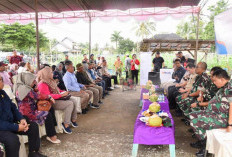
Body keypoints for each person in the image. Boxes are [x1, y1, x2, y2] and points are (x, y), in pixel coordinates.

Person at [0, 75, 47, 157]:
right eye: (0, 80)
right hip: (2, 128)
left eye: (1, 79)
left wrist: (21, 119)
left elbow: (13, 108)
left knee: (33, 126)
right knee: (13, 140)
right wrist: (16, 127)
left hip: (10, 122)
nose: (2, 82)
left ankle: (33, 152)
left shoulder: (2, 93)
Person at [189, 69, 232, 156]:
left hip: (223, 118)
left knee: (196, 122)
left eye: (215, 81)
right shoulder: (222, 88)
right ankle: (205, 142)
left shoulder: (230, 89)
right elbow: (213, 102)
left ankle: (206, 146)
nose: (214, 83)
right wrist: (199, 104)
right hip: (215, 114)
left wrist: (230, 125)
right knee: (192, 115)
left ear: (222, 79)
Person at [14, 73, 61, 144]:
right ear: (27, 81)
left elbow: (35, 94)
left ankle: (53, 131)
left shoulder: (22, 87)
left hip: (30, 109)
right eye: (33, 81)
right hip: (28, 113)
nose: (34, 82)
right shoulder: (25, 89)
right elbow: (38, 96)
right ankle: (51, 136)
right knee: (47, 114)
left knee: (50, 109)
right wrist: (49, 97)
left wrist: (35, 89)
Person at [37, 67, 80, 134]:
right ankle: (66, 124)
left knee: (74, 100)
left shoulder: (50, 81)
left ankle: (73, 119)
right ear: (46, 74)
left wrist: (64, 92)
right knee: (69, 104)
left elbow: (58, 90)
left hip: (57, 98)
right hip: (51, 102)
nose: (52, 73)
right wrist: (61, 95)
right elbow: (48, 96)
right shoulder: (42, 84)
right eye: (51, 72)